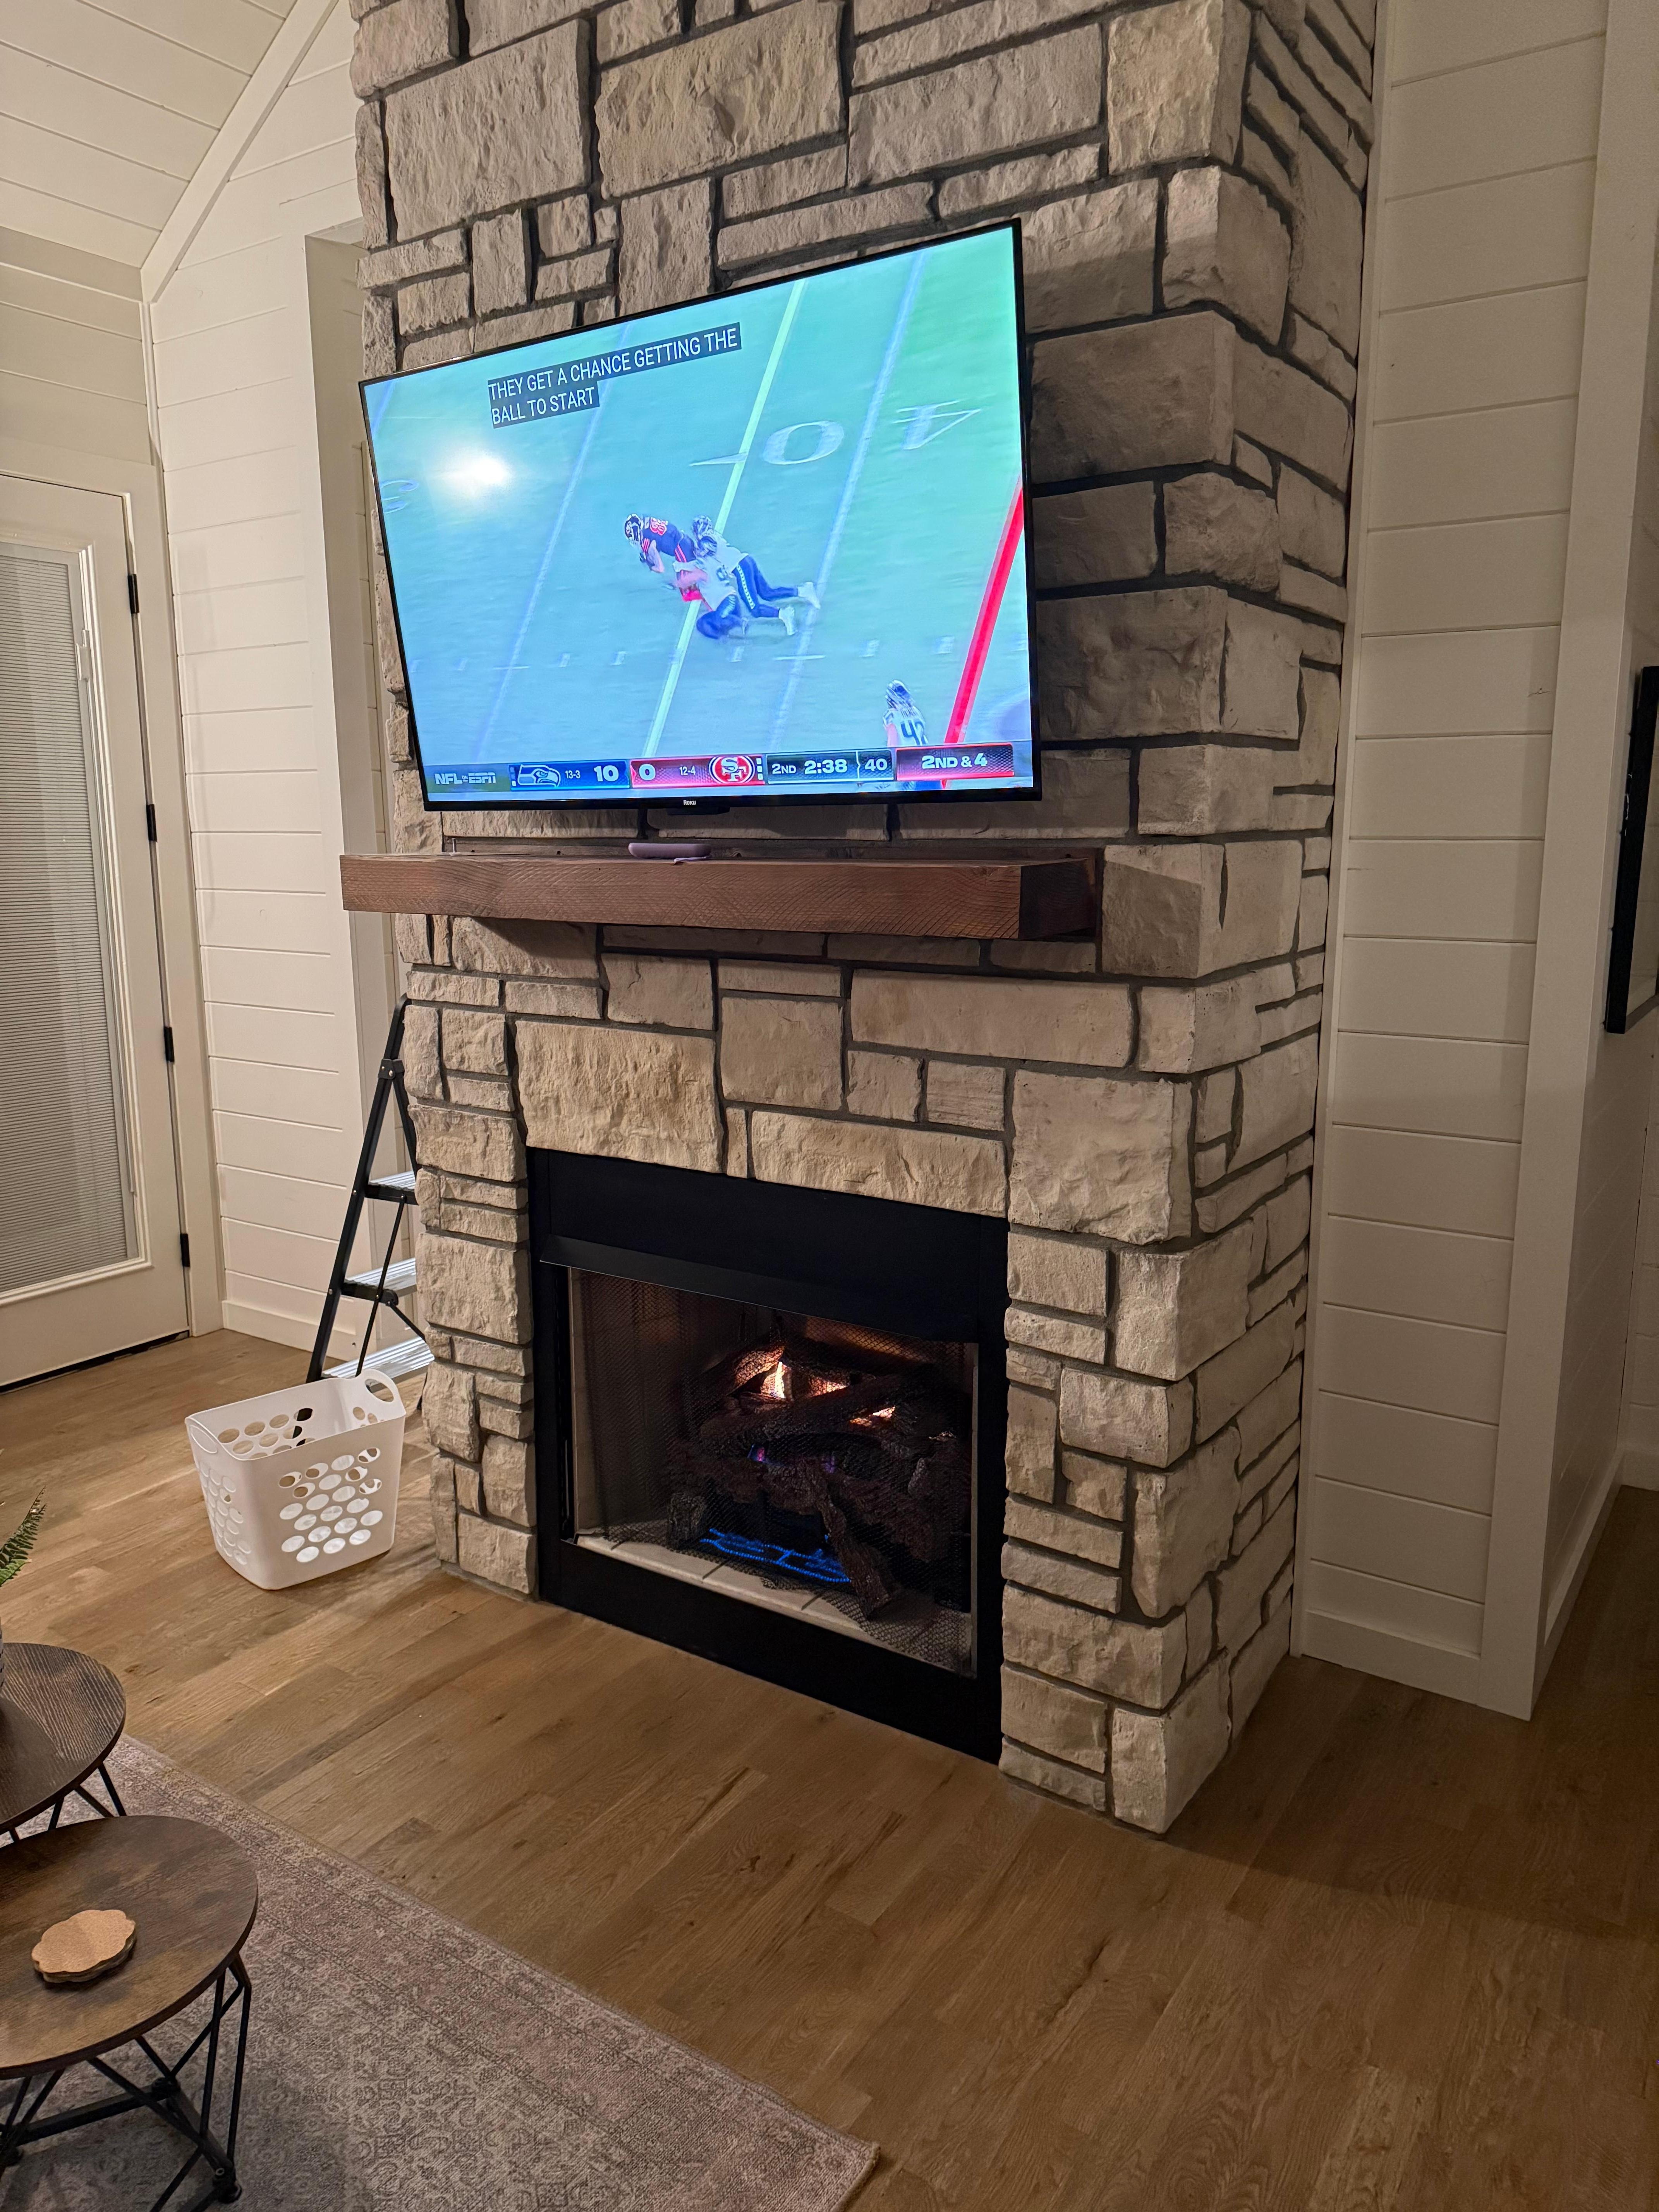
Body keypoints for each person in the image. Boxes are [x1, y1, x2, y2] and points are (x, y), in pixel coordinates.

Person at [883, 680, 927, 750]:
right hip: (925, 753)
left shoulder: (891, 715)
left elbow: (893, 744)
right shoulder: (916, 711)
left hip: (907, 754)